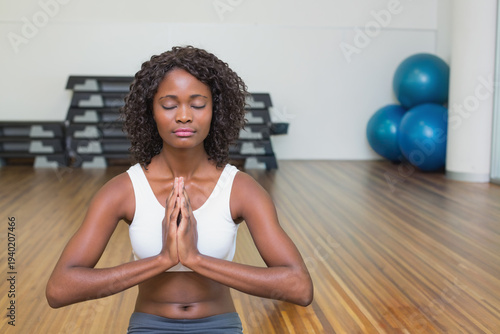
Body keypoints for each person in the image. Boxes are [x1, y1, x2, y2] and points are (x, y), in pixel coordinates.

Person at [46, 45, 313, 333]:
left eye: (197, 104)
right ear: (151, 112)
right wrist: (163, 260)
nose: (184, 116)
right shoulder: (123, 191)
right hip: (149, 325)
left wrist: (195, 259)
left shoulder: (241, 190)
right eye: (169, 105)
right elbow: (60, 289)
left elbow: (299, 287)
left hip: (219, 325)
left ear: (215, 111)